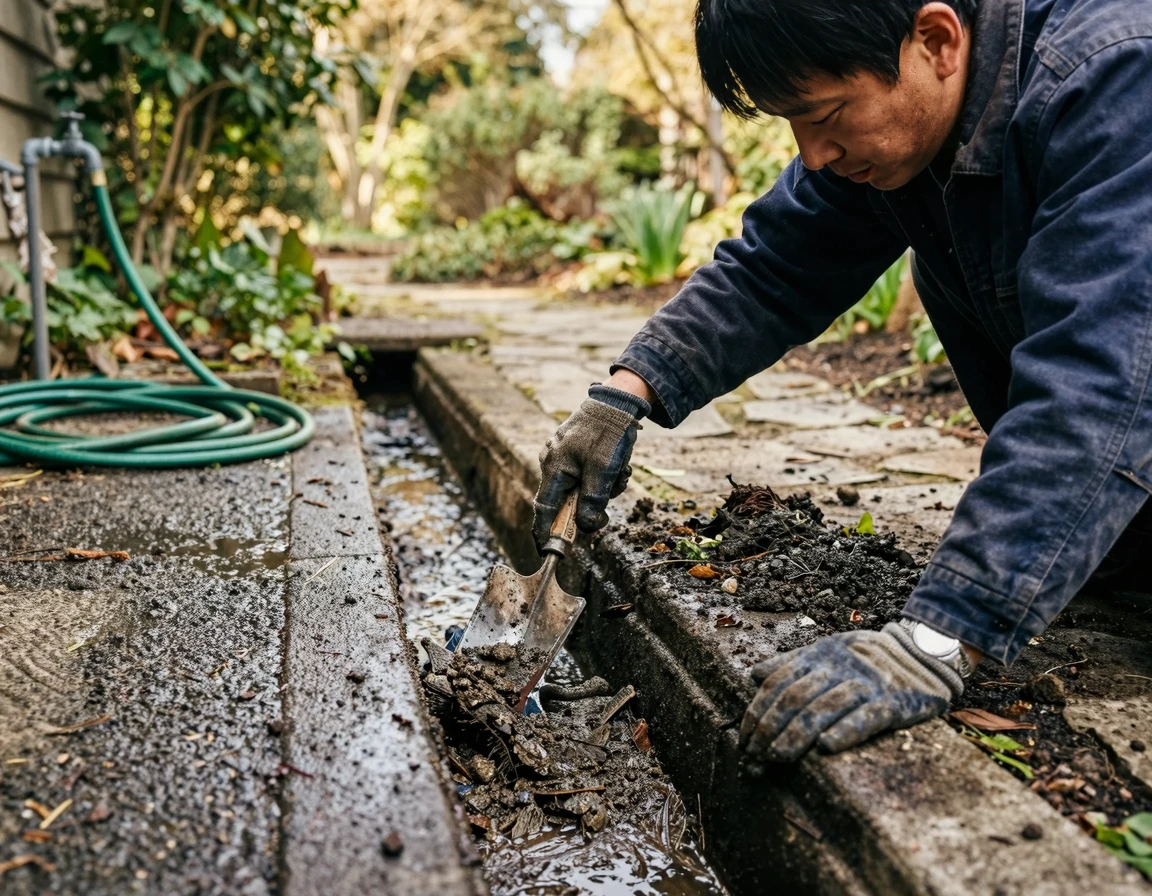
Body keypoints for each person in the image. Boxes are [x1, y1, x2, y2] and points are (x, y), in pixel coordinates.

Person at [532, 0, 1152, 763]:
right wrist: (628, 392)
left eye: (825, 113)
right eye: (792, 123)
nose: (814, 154)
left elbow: (1103, 378)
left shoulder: (1118, 77)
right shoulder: (904, 131)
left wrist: (942, 634)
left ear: (936, 40)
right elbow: (774, 268)